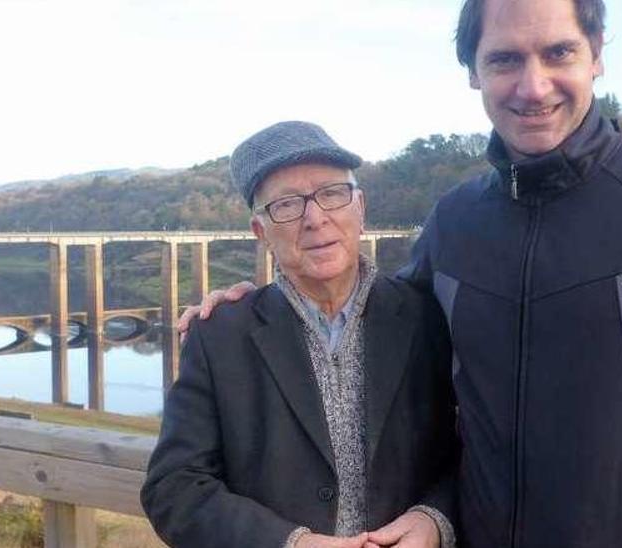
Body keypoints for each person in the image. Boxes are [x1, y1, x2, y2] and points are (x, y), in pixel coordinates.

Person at [181, 1, 622, 546]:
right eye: (505, 58)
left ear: (596, 56)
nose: (532, 86)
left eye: (558, 52)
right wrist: (253, 308)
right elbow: (368, 326)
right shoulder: (454, 223)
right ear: (474, 71)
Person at [142, 121, 459, 548]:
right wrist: (289, 543)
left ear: (360, 208)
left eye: (332, 194)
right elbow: (174, 488)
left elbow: (480, 450)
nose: (315, 218)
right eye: (287, 205)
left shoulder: (428, 317)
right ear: (261, 232)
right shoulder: (221, 336)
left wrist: (434, 520)